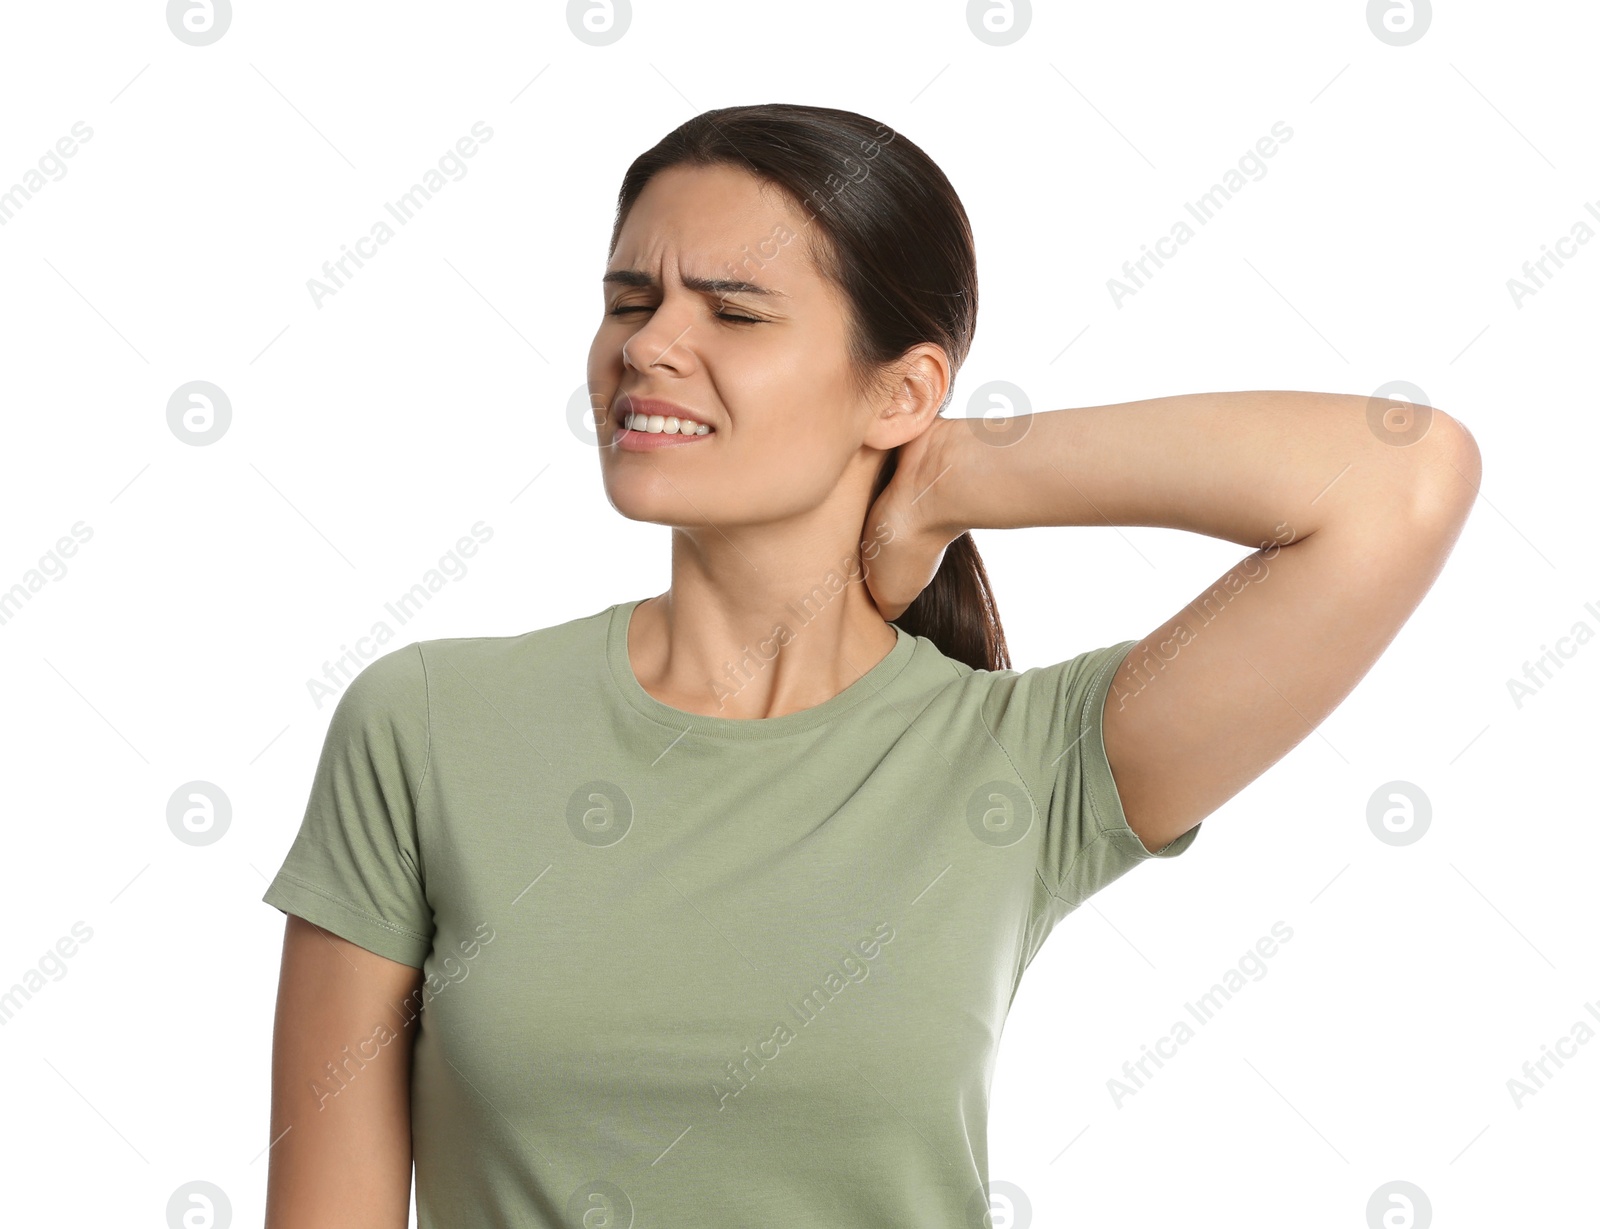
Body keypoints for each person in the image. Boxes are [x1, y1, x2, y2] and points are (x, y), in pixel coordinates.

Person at [260, 103, 1480, 1228]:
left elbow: (1401, 477)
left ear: (901, 390)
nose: (650, 347)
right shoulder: (425, 723)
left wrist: (964, 475)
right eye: (631, 301)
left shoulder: (1025, 765)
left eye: (732, 313)